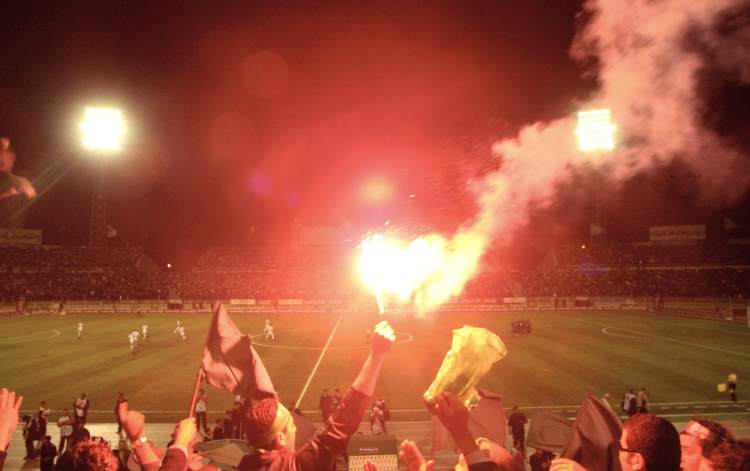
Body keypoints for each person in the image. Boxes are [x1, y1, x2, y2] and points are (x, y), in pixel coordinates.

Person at [236, 320, 395, 471]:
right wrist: (377, 355)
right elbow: (343, 422)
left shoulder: (243, 465)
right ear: (281, 438)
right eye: (291, 426)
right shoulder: (296, 466)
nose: (295, 429)